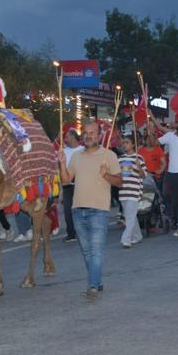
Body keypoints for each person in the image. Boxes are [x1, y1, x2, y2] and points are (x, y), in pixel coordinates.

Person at [57, 121, 121, 298]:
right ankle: (97, 281)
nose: (88, 136)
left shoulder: (109, 155)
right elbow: (65, 181)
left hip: (99, 210)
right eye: (85, 132)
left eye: (92, 133)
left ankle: (92, 284)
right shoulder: (77, 156)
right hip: (78, 210)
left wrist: (106, 175)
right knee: (86, 251)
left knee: (96, 250)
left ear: (99, 135)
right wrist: (62, 163)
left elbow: (120, 182)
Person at [151, 115, 178, 240]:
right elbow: (154, 143)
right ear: (175, 124)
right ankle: (177, 223)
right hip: (171, 173)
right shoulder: (169, 136)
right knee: (172, 200)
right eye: (177, 122)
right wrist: (151, 128)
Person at [117, 135, 147, 248]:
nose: (125, 144)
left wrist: (139, 167)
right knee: (131, 216)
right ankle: (137, 236)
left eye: (127, 142)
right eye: (124, 142)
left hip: (134, 191)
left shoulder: (139, 158)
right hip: (123, 191)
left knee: (129, 217)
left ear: (133, 144)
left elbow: (144, 175)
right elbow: (118, 174)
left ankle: (126, 239)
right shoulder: (120, 158)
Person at [62, 129, 84, 242]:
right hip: (67, 184)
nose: (65, 139)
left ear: (73, 137)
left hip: (80, 184)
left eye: (67, 136)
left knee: (81, 209)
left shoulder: (83, 150)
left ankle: (83, 231)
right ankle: (71, 233)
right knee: (67, 210)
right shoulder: (63, 151)